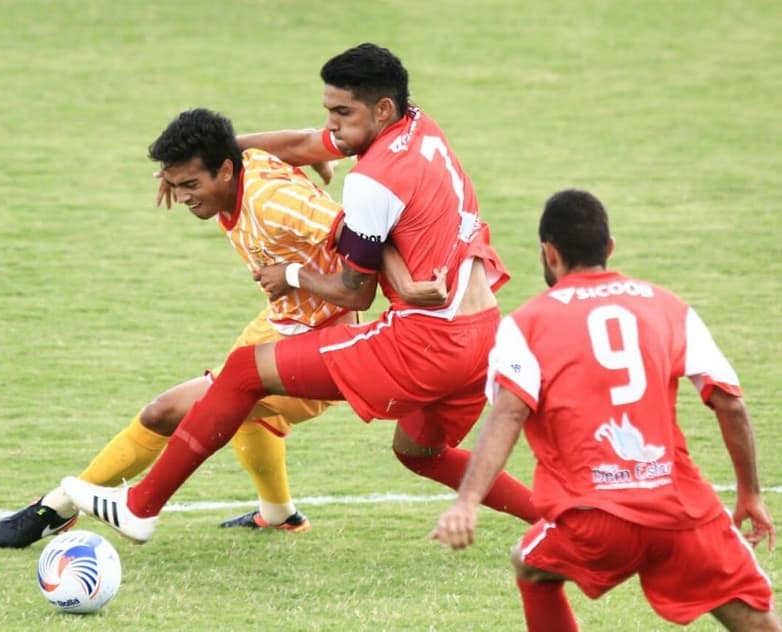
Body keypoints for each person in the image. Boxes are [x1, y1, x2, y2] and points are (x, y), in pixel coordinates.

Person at [61, 42, 539, 542]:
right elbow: (306, 143)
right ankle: (552, 515)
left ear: (380, 109)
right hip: (483, 335)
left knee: (244, 371)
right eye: (328, 111)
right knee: (419, 452)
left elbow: (355, 294)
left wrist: (290, 274)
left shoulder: (372, 181)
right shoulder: (419, 126)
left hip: (425, 342)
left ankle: (139, 506)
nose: (330, 126)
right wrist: (206, 157)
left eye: (341, 112)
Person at [0, 108, 363, 547]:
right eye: (175, 184)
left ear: (223, 172)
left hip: (321, 347)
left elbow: (363, 240)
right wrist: (317, 148)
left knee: (164, 412)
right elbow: (265, 144)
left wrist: (299, 277)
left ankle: (57, 508)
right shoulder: (240, 165)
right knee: (249, 419)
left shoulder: (271, 202)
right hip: (282, 324)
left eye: (190, 185)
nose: (181, 197)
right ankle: (280, 515)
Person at [431, 189, 778, 631]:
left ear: (548, 253)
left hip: (595, 521)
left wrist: (467, 501)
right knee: (753, 617)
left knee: (531, 564)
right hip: (680, 513)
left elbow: (508, 414)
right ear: (609, 248)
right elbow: (730, 403)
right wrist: (749, 492)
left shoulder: (527, 324)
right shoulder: (667, 306)